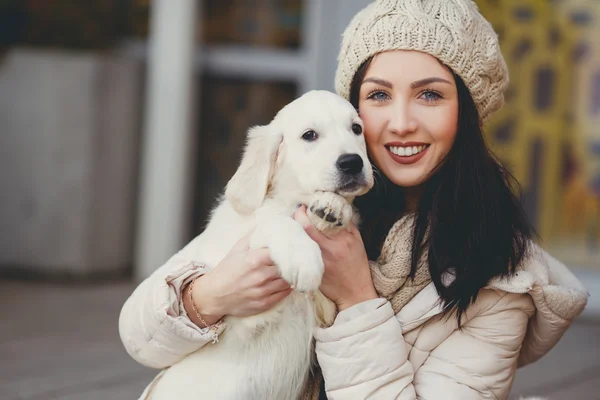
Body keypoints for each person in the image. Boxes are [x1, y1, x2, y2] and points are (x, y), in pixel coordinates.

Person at [119, 0, 589, 398]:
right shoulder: (302, 206)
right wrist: (210, 296)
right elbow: (141, 340)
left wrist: (357, 298)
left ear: (467, 113)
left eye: (430, 94)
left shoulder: (502, 278)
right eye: (379, 95)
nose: (401, 122)